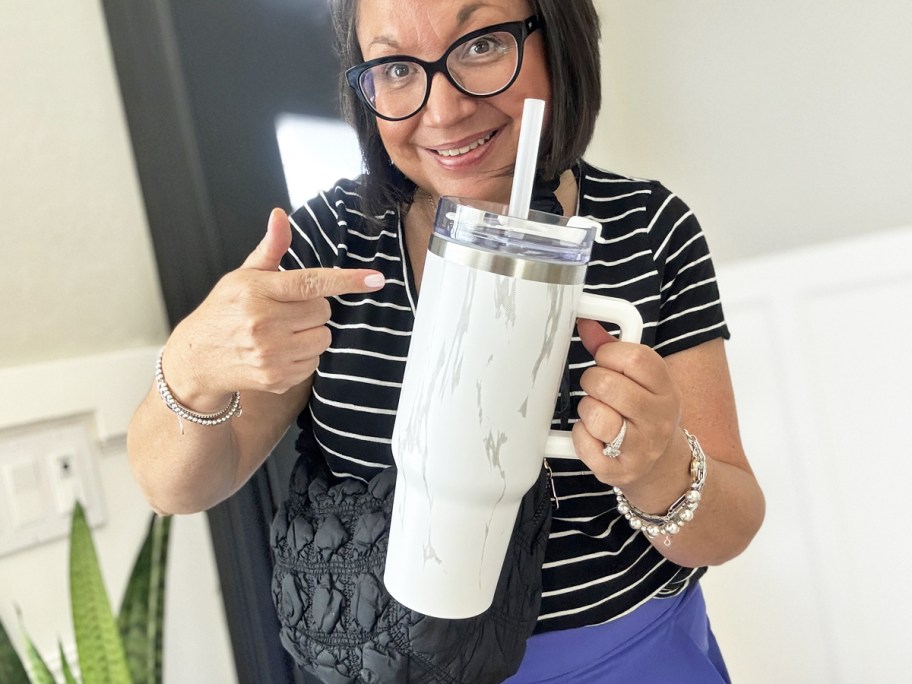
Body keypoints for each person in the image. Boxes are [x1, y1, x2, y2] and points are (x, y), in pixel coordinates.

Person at [127, 0, 765, 681]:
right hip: (399, 663)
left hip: (632, 660)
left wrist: (659, 468)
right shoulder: (330, 245)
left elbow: (730, 526)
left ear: (557, 38)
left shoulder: (648, 230)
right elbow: (175, 487)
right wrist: (194, 364)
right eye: (398, 66)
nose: (445, 110)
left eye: (482, 45)